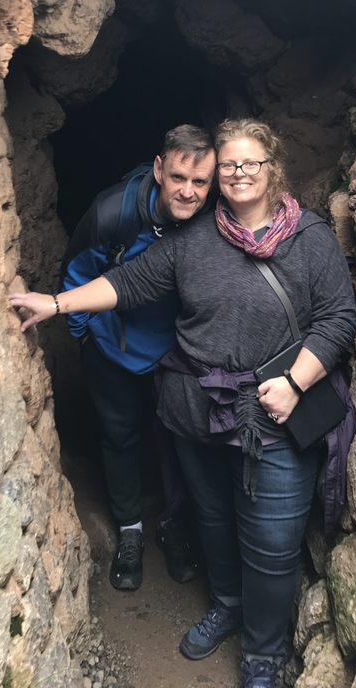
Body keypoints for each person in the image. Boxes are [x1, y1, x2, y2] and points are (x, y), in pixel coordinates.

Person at [11, 119, 356, 688]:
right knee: (214, 519)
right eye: (229, 165)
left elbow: (338, 317)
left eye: (251, 163)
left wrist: (295, 383)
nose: (239, 173)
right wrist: (56, 303)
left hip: (273, 414)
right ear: (217, 174)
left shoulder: (310, 238)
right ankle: (225, 603)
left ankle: (263, 652)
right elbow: (128, 284)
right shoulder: (192, 240)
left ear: (273, 169)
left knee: (272, 544)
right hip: (196, 410)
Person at [60, 124, 216, 591]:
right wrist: (84, 337)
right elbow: (75, 274)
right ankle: (130, 531)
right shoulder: (114, 213)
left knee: (177, 439)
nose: (188, 192)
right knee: (120, 437)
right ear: (159, 170)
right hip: (113, 349)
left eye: (200, 182)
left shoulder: (214, 219)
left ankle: (172, 525)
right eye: (178, 178)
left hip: (179, 353)